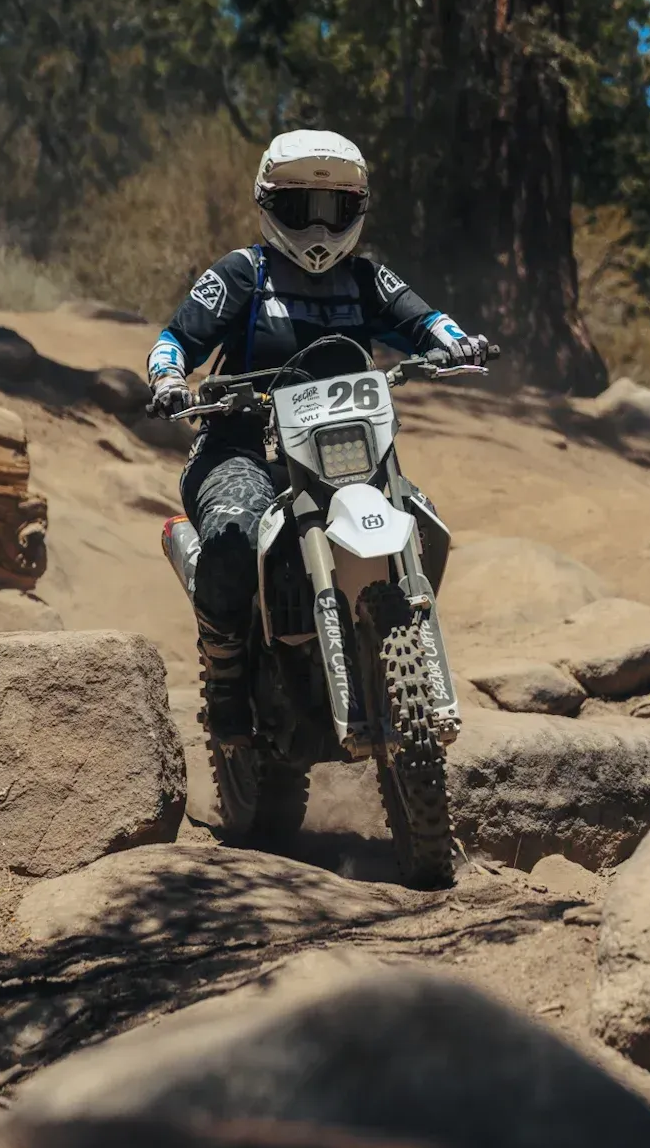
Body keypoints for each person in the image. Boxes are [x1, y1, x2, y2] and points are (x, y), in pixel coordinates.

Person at [146, 128, 489, 745]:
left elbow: (425, 318)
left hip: (346, 455)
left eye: (335, 211)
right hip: (242, 447)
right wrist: (170, 377)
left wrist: (454, 343)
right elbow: (175, 338)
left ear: (357, 211)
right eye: (301, 209)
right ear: (269, 205)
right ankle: (225, 679)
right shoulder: (242, 274)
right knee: (233, 537)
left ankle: (389, 648)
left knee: (424, 516)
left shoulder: (365, 279)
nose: (319, 229)